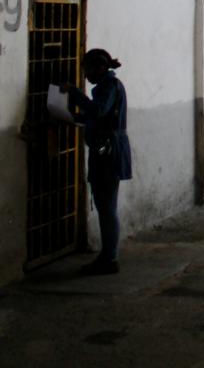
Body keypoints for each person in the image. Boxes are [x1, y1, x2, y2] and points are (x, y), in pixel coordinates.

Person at [62, 49, 132, 275]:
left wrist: (75, 95)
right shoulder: (107, 87)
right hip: (106, 148)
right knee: (105, 205)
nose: (86, 76)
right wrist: (72, 117)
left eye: (88, 71)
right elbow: (97, 114)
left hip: (107, 150)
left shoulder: (110, 87)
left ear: (100, 68)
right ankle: (108, 255)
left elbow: (99, 110)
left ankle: (109, 257)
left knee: (106, 205)